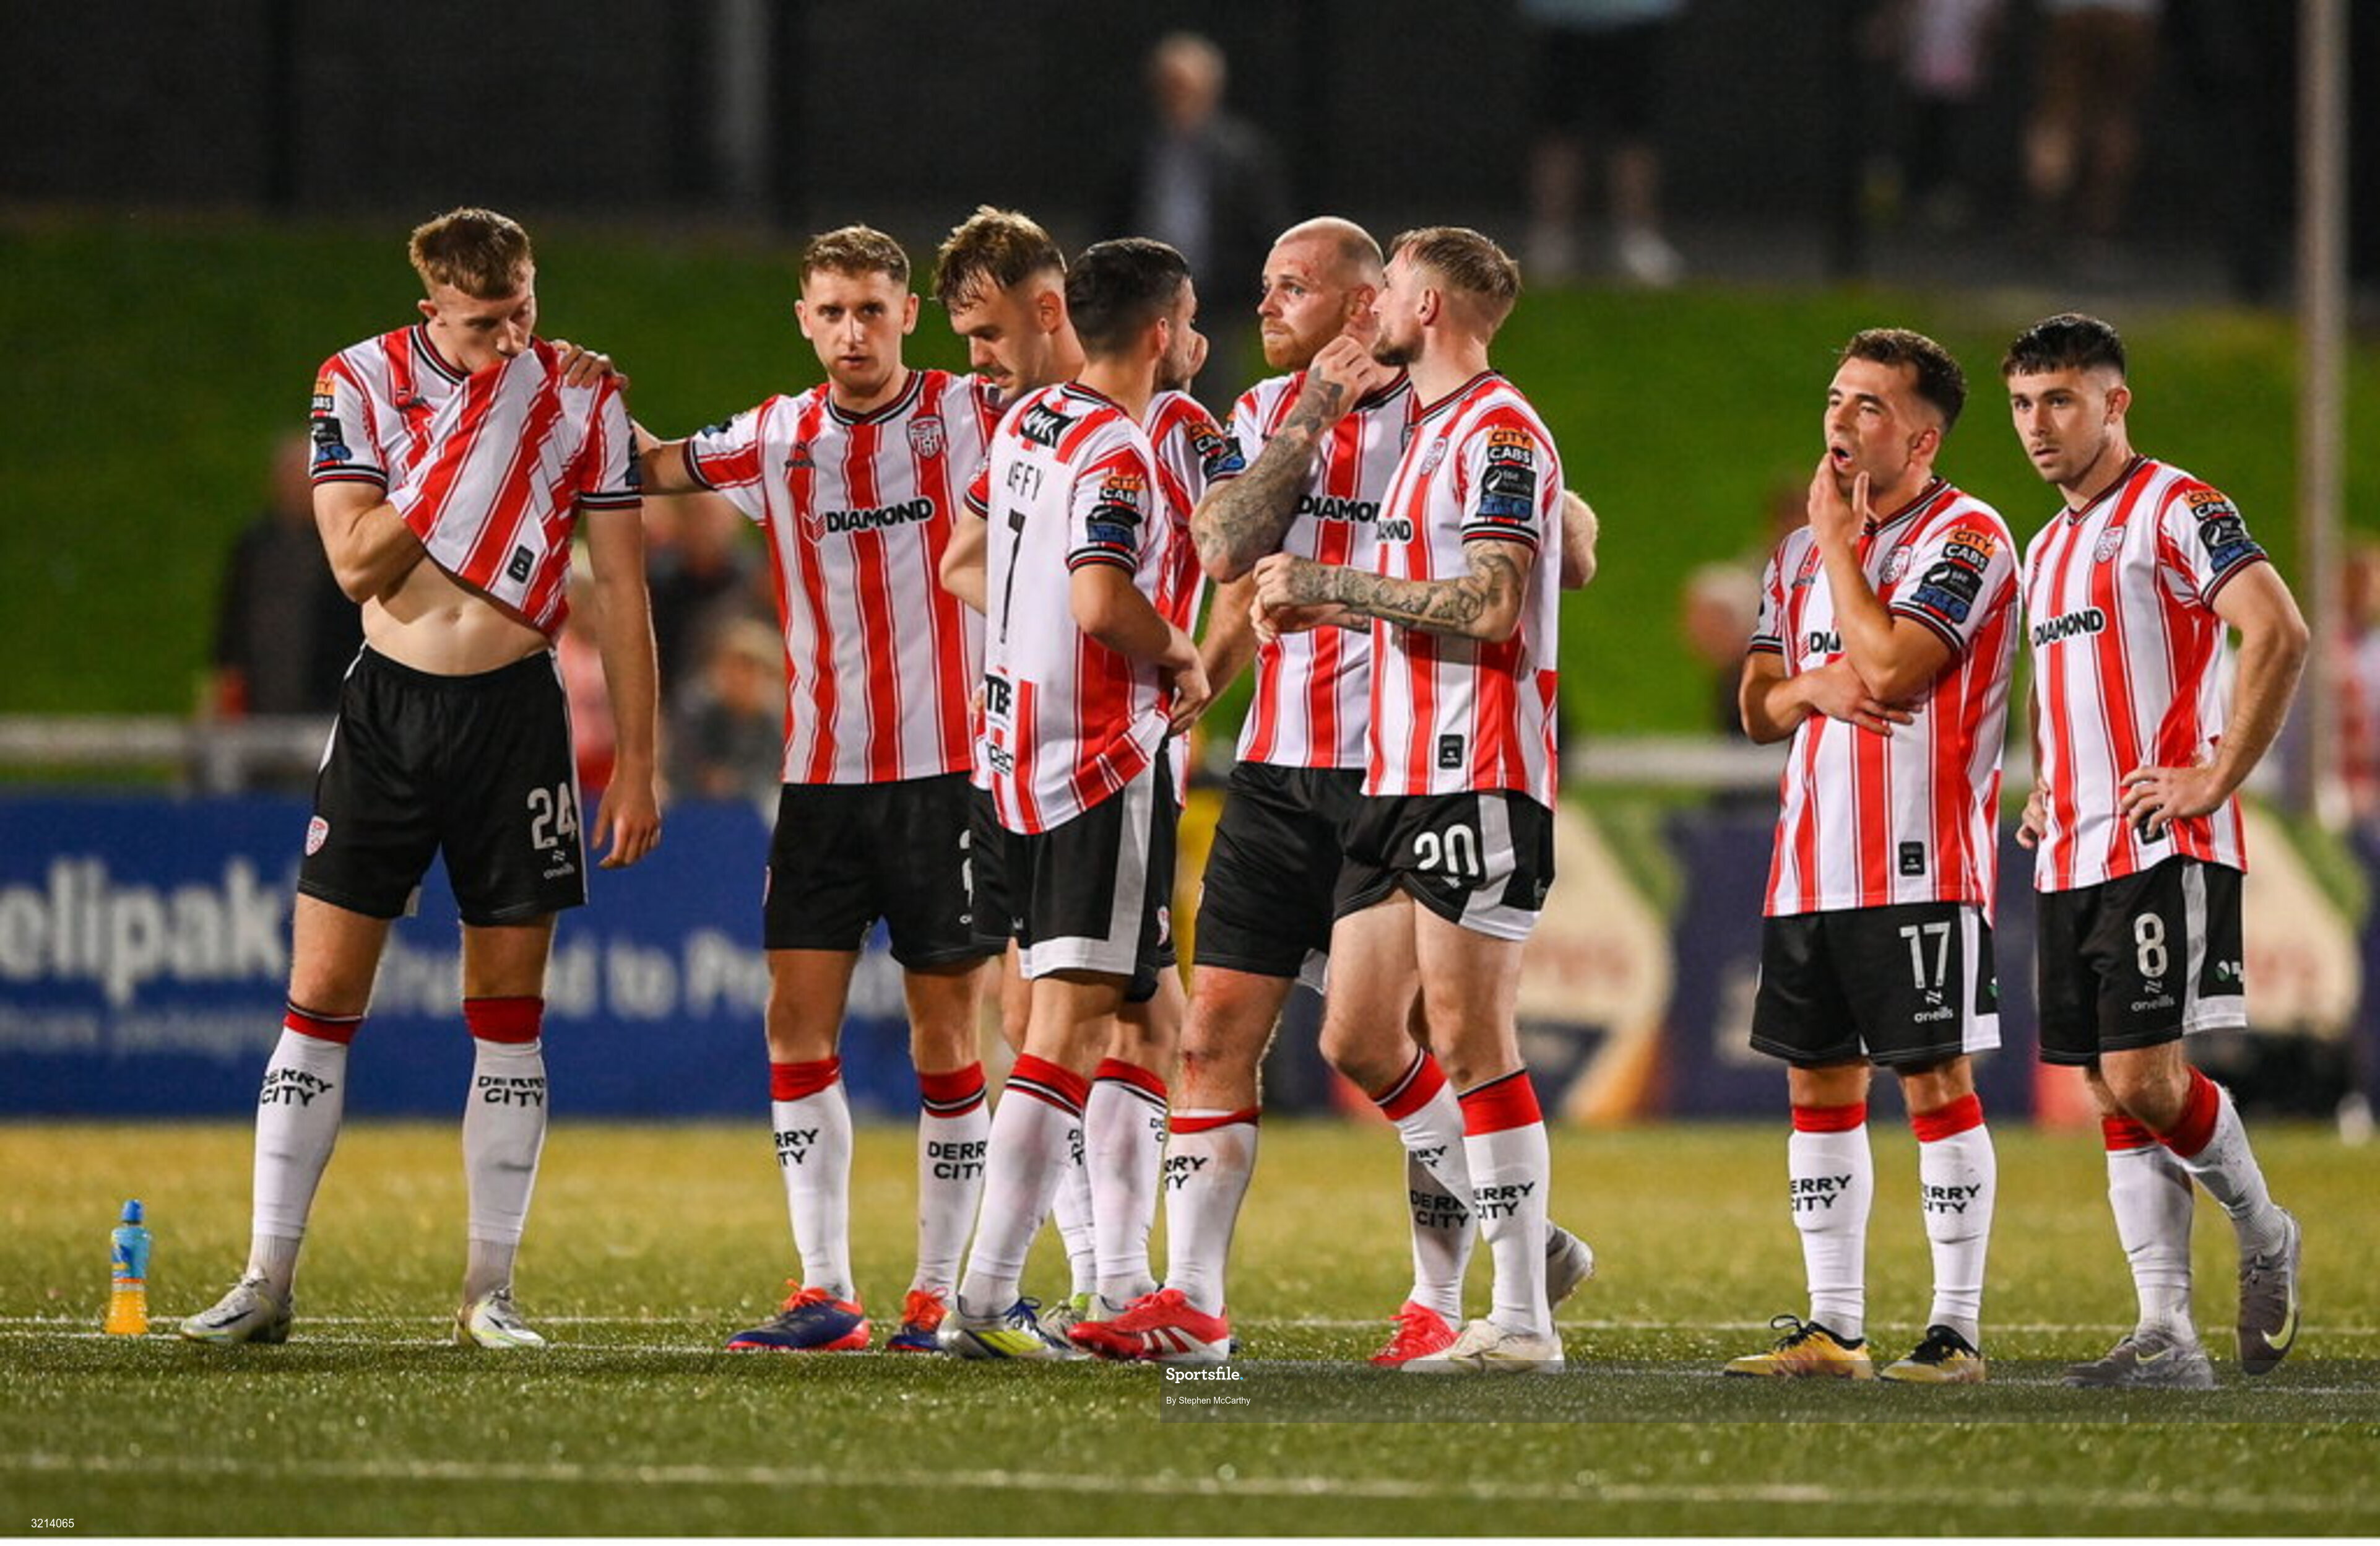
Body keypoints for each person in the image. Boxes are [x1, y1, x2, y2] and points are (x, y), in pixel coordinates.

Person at [1070, 217, 1594, 1366]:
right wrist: (1312, 407)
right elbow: (1221, 545)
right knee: (1213, 1032)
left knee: (1391, 1037)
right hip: (1276, 769)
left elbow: (1573, 544)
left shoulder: (1452, 411)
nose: (1264, 303)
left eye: (1291, 286)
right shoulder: (1261, 414)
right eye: (1261, 284)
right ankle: (1195, 1298)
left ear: (1372, 304)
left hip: (1400, 765)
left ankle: (1446, 1293)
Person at [180, 207, 661, 1350]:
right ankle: (267, 1278)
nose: (512, 338)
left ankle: (488, 1290)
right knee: (320, 1001)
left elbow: (625, 587)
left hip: (515, 714)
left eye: (525, 311)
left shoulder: (585, 398)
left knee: (507, 1015)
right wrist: (474, 421)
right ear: (430, 313)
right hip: (390, 709)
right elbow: (356, 562)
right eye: (485, 321)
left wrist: (640, 758)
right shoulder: (357, 380)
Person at [637, 226, 1002, 1355]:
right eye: (833, 311)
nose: (854, 331)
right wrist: (572, 401)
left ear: (910, 316)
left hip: (946, 776)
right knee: (796, 1022)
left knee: (947, 1033)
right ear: (804, 319)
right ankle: (827, 1290)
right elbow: (654, 466)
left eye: (874, 310)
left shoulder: (970, 413)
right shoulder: (773, 436)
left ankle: (937, 1292)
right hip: (820, 783)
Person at [1251, 227, 1568, 1373]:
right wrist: (1325, 608)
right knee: (1356, 1032)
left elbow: (1490, 605)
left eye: (1384, 286)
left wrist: (1329, 579)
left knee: (1477, 1038)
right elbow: (1425, 598)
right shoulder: (1426, 433)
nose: (1368, 302)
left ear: (1426, 306)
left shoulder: (1498, 433)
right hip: (1397, 778)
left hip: (1475, 771)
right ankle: (1528, 1246)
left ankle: (1523, 1317)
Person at [2004, 312, 2307, 1387]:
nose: (2039, 427)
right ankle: (2166, 1330)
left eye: (2062, 401)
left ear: (2115, 403)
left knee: (2144, 1075)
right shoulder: (2046, 544)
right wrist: (2047, 780)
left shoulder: (2177, 507)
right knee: (2107, 1083)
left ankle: (2267, 1232)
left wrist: (2218, 775)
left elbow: (2278, 629)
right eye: (2025, 405)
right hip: (2070, 850)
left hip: (2160, 843)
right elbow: (2064, 687)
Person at [1724, 329, 2017, 1384]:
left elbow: (1893, 667)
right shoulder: (1796, 555)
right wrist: (1809, 688)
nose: (1842, 422)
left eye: (1870, 408)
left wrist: (1839, 549)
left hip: (1922, 860)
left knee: (1935, 1080)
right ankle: (1832, 1325)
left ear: (1925, 436)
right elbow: (1760, 705)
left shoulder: (1969, 537)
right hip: (1810, 860)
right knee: (1819, 1084)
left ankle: (1956, 1328)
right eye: (1837, 399)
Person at [937, 238, 1210, 1358]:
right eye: (1190, 321)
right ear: (1157, 332)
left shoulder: (1028, 425)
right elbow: (1103, 601)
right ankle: (990, 1294)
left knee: (1156, 1019)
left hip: (1007, 755)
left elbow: (965, 560)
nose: (1197, 341)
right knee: (1068, 1031)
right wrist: (1181, 651)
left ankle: (1115, 1283)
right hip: (1094, 763)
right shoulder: (1121, 453)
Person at [1104, 31, 1289, 409]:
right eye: (1169, 87)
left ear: (1211, 89)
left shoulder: (1242, 154)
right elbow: (1111, 220)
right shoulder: (1137, 151)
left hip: (1215, 304)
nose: (1178, 98)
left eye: (1187, 87)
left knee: (1209, 402)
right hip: (1143, 303)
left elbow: (1264, 227)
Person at [1519, 0, 1688, 287]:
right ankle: (1551, 239)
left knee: (1634, 131)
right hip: (1563, 16)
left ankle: (1637, 239)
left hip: (1637, 14)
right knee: (1559, 130)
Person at [207, 432, 363, 719]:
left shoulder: (346, 543)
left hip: (330, 702)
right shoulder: (255, 547)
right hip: (262, 703)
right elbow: (232, 628)